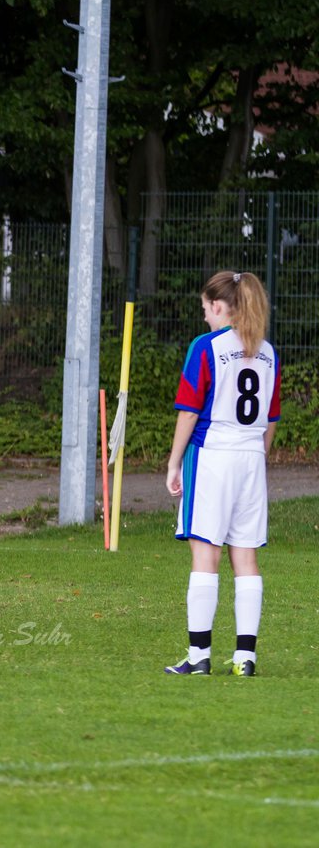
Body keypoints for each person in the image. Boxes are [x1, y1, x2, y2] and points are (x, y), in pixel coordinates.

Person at [163, 270, 279, 677]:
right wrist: (255, 458)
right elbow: (271, 419)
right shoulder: (267, 352)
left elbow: (189, 409)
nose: (204, 318)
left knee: (205, 553)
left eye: (205, 309)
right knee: (245, 558)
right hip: (251, 461)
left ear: (218, 306)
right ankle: (245, 658)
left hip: (212, 457)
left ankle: (198, 657)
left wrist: (174, 462)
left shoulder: (206, 347)